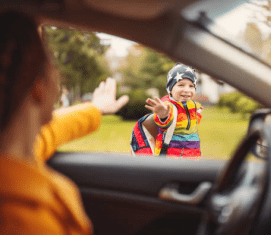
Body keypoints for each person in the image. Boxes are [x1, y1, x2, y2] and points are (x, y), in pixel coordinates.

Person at [0, 11, 129, 234]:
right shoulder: (28, 222)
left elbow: (51, 130)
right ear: (39, 87)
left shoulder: (14, 151)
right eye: (50, 61)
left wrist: (95, 108)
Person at [145, 62, 203, 159]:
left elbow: (190, 125)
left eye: (191, 86)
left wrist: (197, 115)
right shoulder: (167, 106)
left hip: (192, 155)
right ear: (170, 89)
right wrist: (163, 116)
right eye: (181, 85)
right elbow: (165, 122)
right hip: (171, 157)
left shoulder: (192, 105)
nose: (187, 90)